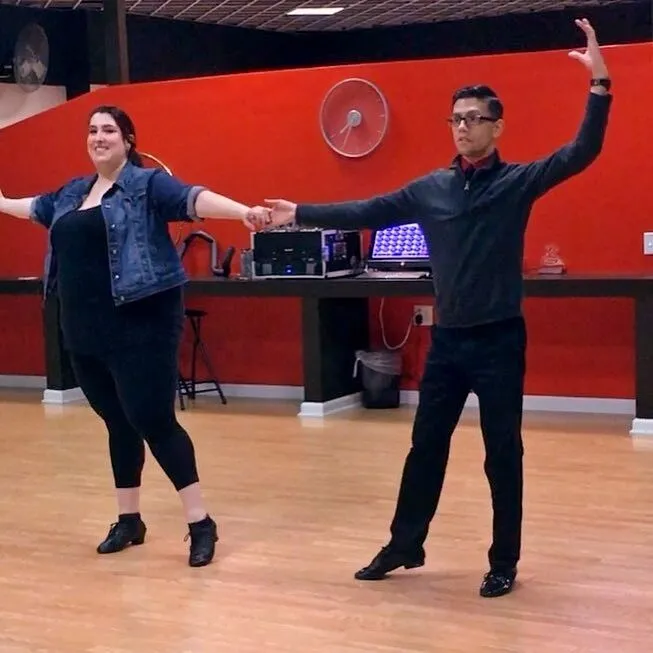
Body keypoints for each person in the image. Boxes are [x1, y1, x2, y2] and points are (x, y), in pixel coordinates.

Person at [252, 19, 612, 596]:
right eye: (456, 119)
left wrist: (599, 85)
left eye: (473, 119)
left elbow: (581, 152)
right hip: (448, 343)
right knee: (425, 448)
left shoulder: (518, 182)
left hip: (499, 341)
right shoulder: (430, 189)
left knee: (503, 455)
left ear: (496, 126)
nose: (463, 128)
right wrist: (298, 213)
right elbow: (366, 209)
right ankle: (405, 543)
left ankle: (503, 562)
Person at [0, 105, 266, 568]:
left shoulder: (145, 185)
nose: (99, 137)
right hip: (84, 329)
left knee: (153, 420)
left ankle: (200, 522)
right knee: (117, 423)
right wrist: (1, 202)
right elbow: (33, 208)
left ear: (127, 140)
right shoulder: (71, 193)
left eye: (108, 131)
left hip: (140, 324)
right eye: (92, 131)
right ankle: (129, 520)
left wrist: (244, 213)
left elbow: (193, 198)